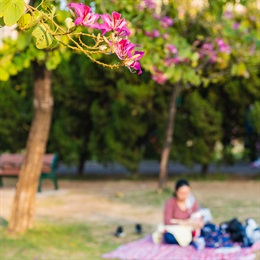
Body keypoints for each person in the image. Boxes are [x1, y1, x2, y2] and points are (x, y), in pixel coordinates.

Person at [163, 179, 204, 245]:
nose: (184, 195)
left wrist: (198, 222)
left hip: (190, 228)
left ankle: (192, 239)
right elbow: (167, 221)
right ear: (176, 192)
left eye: (187, 193)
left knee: (204, 230)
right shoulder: (170, 202)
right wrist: (185, 222)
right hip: (176, 230)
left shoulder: (191, 201)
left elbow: (198, 216)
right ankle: (190, 240)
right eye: (182, 193)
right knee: (168, 237)